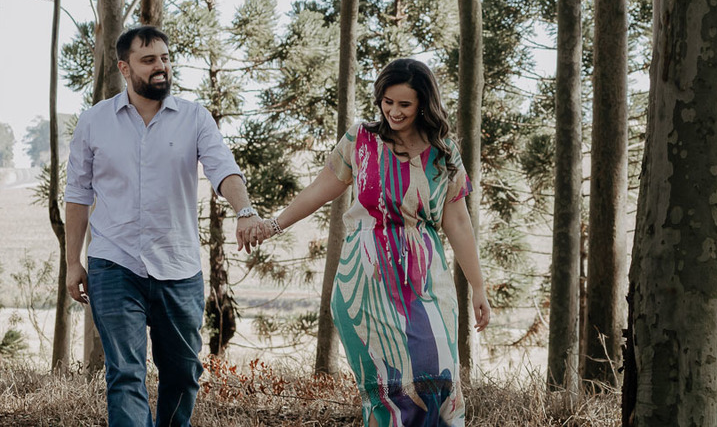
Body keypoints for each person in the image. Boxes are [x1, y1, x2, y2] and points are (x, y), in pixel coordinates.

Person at [253, 58, 491, 427]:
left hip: (426, 281)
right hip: (365, 282)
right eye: (387, 102)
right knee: (389, 390)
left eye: (405, 104)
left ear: (424, 104)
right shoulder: (361, 140)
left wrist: (478, 286)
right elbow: (319, 189)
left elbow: (458, 222)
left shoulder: (443, 151)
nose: (394, 111)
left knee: (438, 377)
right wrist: (274, 225)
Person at [64, 25, 266, 427]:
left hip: (178, 267)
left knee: (183, 375)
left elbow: (224, 170)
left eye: (165, 58)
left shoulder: (194, 118)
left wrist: (245, 210)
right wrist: (73, 262)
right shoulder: (94, 121)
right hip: (114, 264)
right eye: (148, 60)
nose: (161, 67)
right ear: (124, 68)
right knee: (125, 374)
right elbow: (78, 193)